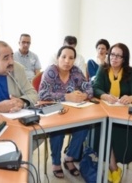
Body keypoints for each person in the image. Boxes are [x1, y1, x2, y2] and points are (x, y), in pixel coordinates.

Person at [39, 46, 92, 178]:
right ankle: (56, 162)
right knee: (58, 130)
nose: (67, 61)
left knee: (84, 127)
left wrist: (84, 96)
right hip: (54, 112)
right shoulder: (51, 71)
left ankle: (69, 158)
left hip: (73, 112)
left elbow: (89, 87)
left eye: (71, 58)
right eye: (63, 57)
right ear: (57, 58)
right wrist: (66, 96)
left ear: (74, 60)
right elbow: (42, 93)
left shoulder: (76, 71)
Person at [93, 43, 132, 183]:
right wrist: (104, 95)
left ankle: (113, 166)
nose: (114, 58)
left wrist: (130, 98)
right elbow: (96, 88)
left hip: (123, 113)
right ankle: (113, 167)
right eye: (112, 54)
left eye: (118, 56)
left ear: (124, 59)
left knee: (117, 129)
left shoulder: (130, 72)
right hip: (106, 111)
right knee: (105, 128)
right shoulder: (103, 69)